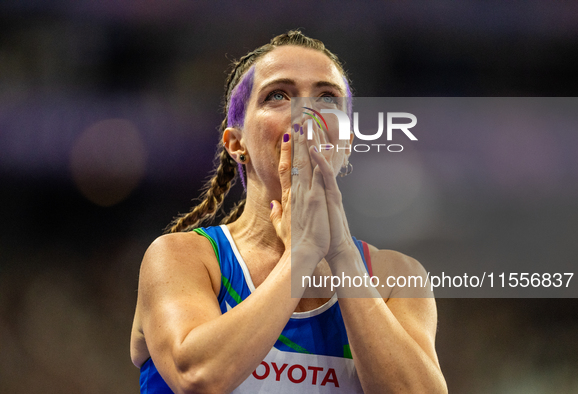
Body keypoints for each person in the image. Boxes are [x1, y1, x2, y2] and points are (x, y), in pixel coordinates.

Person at [130, 30, 447, 393]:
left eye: (328, 98)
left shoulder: (395, 276)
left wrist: (341, 254)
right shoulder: (181, 258)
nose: (307, 112)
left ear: (347, 142)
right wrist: (302, 253)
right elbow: (198, 377)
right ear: (237, 143)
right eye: (278, 95)